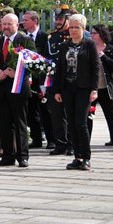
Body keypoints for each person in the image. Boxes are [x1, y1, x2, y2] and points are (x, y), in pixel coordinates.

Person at [54, 14, 101, 170]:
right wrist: (57, 90)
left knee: (81, 123)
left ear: (83, 28)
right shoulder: (65, 45)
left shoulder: (89, 44)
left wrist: (94, 89)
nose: (73, 30)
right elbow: (59, 68)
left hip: (84, 88)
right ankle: (77, 157)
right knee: (72, 124)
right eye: (71, 27)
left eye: (77, 27)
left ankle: (86, 157)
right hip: (67, 88)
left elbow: (95, 68)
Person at [0, 13, 36, 168]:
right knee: (4, 124)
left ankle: (22, 156)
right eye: (4, 24)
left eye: (9, 24)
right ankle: (7, 156)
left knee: (20, 122)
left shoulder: (25, 41)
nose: (6, 27)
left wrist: (17, 71)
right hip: (1, 89)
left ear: (17, 25)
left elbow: (32, 61)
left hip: (18, 89)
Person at [90, 24, 113, 150]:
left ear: (101, 34)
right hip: (91, 89)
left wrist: (104, 57)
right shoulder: (88, 48)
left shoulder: (110, 49)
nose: (92, 35)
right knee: (88, 116)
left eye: (94, 33)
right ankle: (84, 142)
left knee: (112, 116)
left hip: (106, 88)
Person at [22, 10, 51, 150]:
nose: (23, 22)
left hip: (42, 78)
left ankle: (52, 139)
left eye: (26, 20)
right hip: (27, 79)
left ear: (35, 21)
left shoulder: (45, 37)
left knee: (46, 110)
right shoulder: (22, 37)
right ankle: (36, 138)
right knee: (31, 109)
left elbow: (48, 56)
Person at [47, 9, 73, 156]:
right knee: (56, 114)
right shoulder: (52, 36)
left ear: (68, 19)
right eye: (56, 19)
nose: (57, 22)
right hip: (55, 79)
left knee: (70, 113)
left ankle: (72, 144)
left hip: (70, 79)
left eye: (61, 19)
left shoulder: (74, 35)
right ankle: (60, 143)